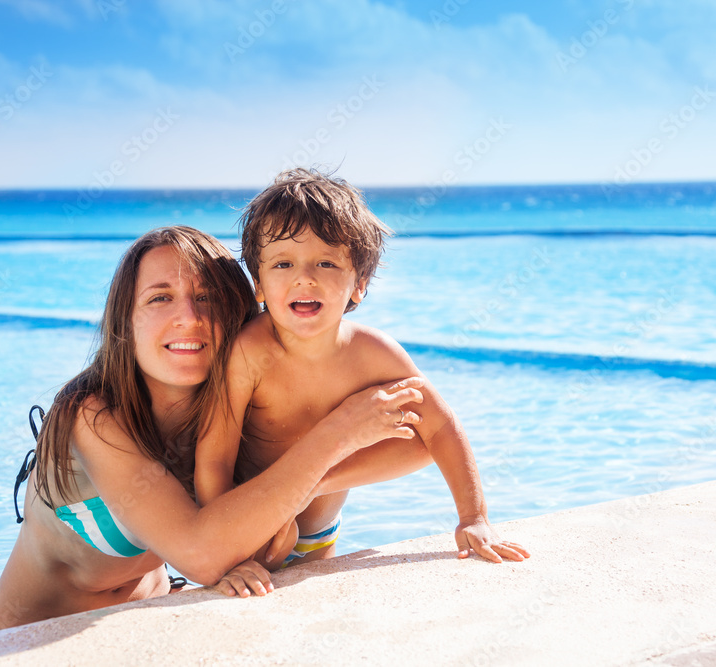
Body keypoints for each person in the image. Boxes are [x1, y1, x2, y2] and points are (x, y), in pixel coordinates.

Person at [0, 225, 429, 629]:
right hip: (32, 644)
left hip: (159, 627)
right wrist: (338, 434)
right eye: (160, 297)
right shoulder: (92, 415)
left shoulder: (242, 413)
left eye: (207, 298)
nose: (189, 318)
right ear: (126, 320)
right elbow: (201, 555)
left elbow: (287, 551)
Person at [195, 169, 530, 578]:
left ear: (360, 283)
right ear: (259, 285)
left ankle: (316, 483)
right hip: (257, 527)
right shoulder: (249, 353)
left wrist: (473, 517)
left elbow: (442, 429)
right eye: (283, 263)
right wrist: (231, 552)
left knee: (421, 432)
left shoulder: (372, 354)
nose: (305, 277)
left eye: (326, 262)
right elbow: (213, 462)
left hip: (320, 527)